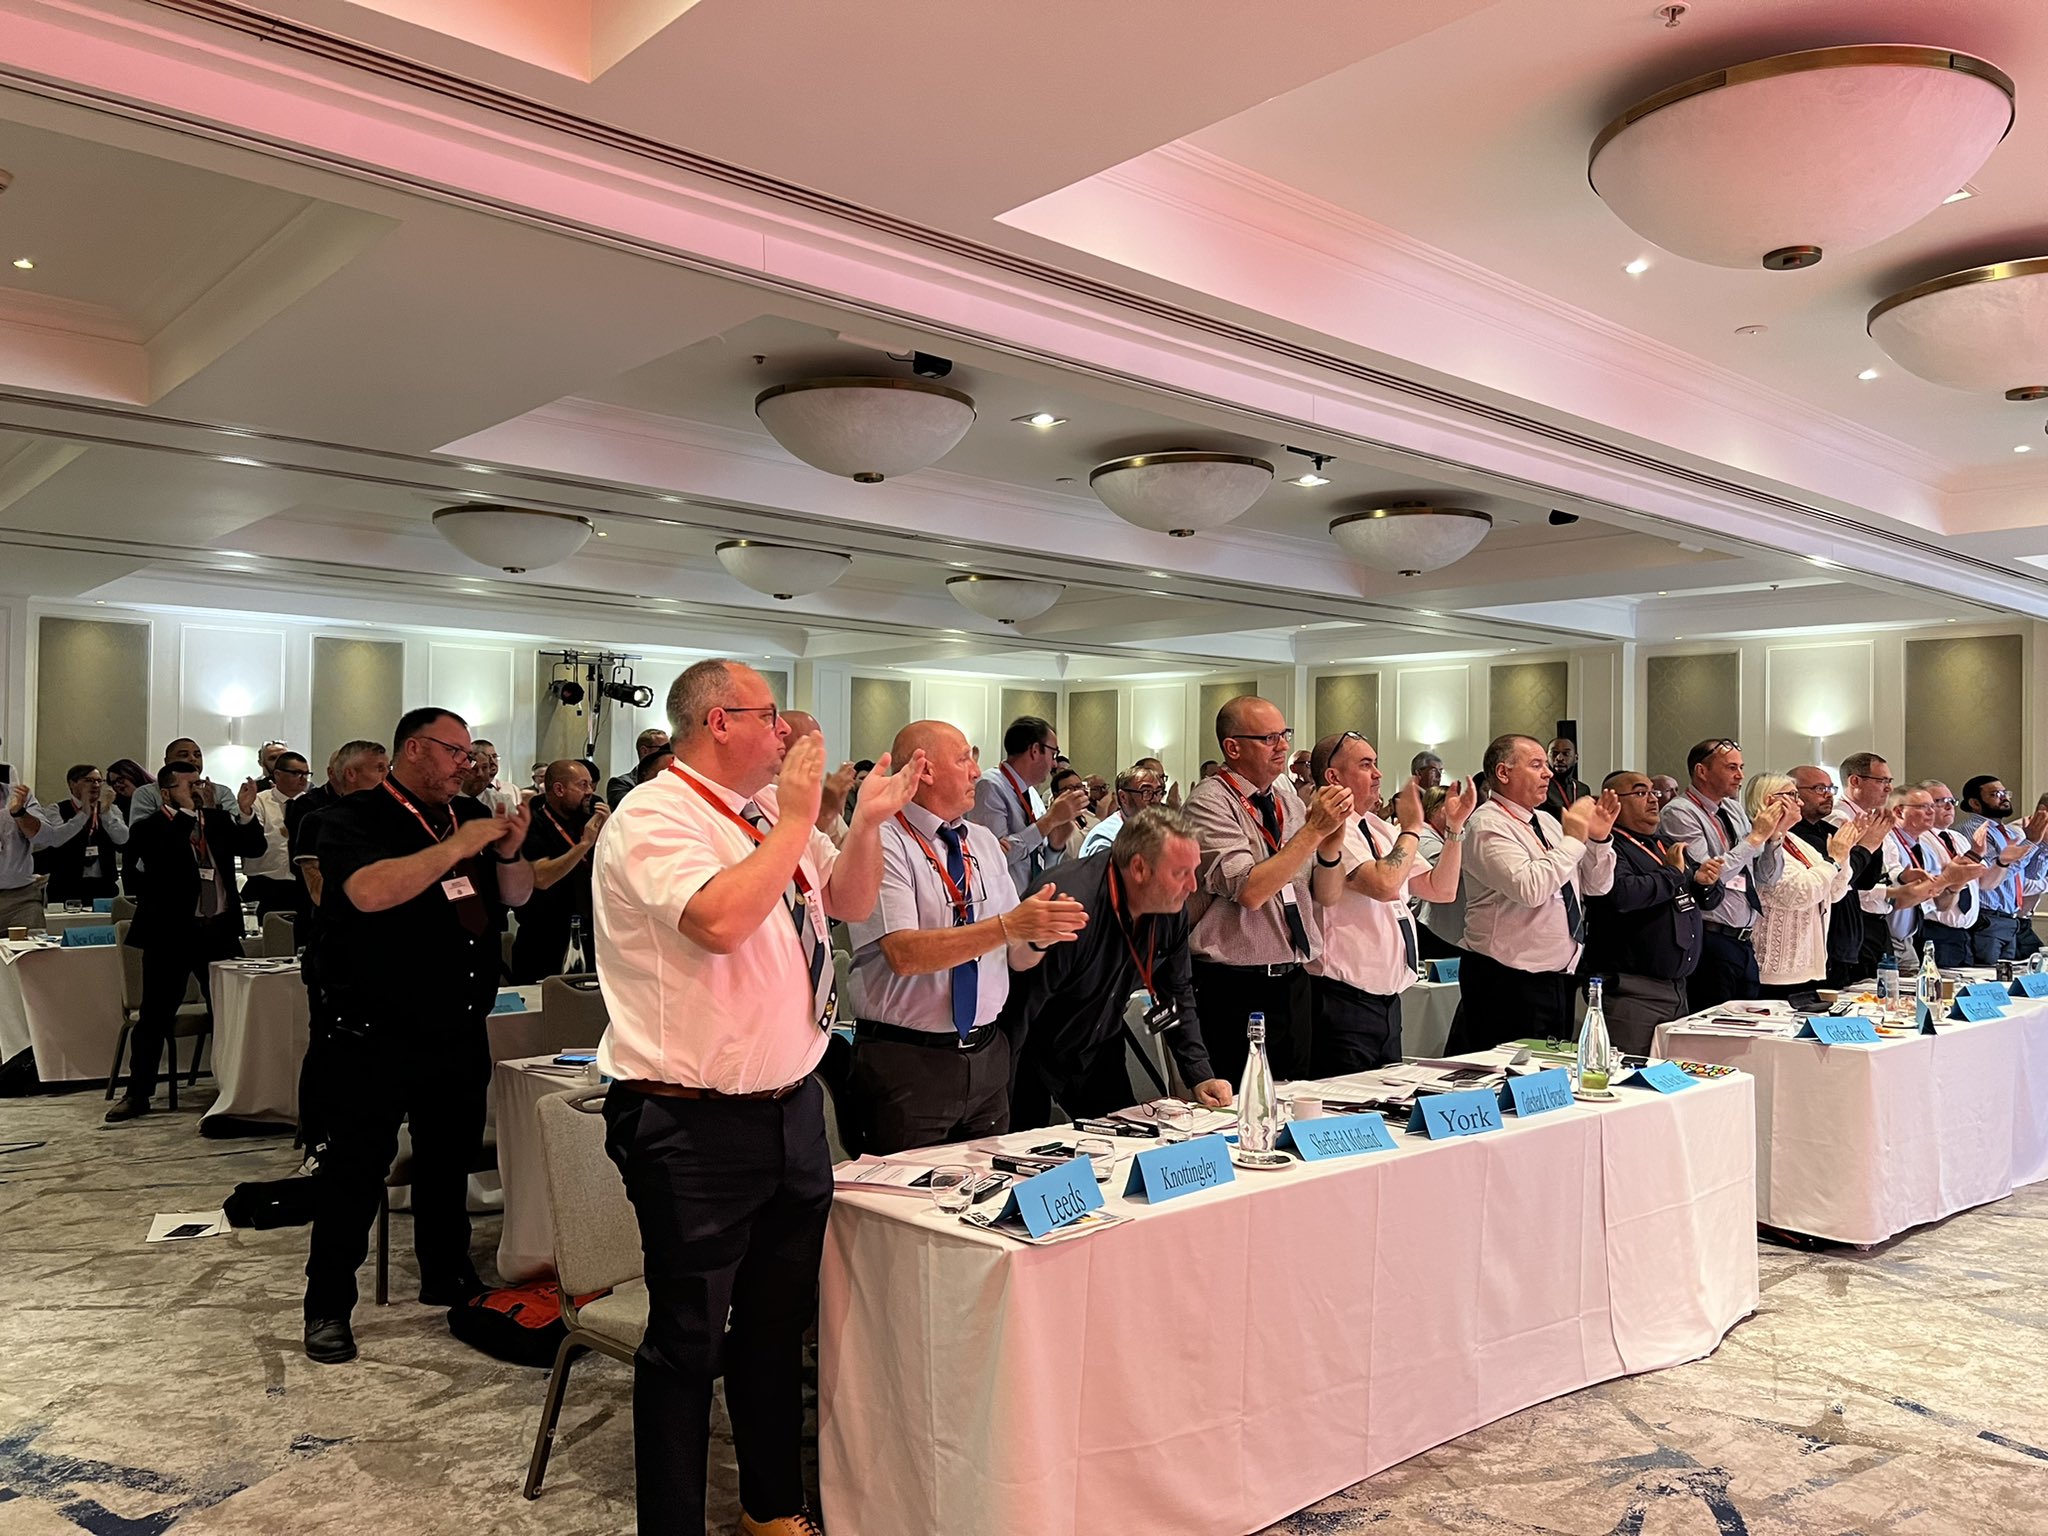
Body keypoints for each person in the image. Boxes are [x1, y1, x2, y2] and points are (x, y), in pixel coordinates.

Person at [590, 659, 923, 1536]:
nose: (786, 731)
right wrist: (805, 817)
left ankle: (770, 1508)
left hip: (789, 1106)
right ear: (718, 723)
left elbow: (847, 900)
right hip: (689, 1118)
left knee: (776, 1326)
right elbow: (718, 920)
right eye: (769, 715)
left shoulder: (766, 812)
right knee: (689, 1341)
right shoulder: (655, 814)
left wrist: (865, 822)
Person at [299, 708, 535, 1367]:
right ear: (412, 749)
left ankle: (447, 1272)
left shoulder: (468, 818)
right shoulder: (351, 818)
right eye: (454, 751)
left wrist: (508, 851)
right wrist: (458, 847)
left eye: (468, 753)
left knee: (447, 1161)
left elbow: (517, 897)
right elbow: (369, 892)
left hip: (456, 1023)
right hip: (371, 1028)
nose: (467, 763)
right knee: (355, 1169)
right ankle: (327, 1304)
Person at [848, 720, 1085, 1152]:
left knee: (988, 1188)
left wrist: (1039, 935)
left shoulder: (982, 841)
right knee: (906, 1192)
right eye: (963, 760)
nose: (976, 771)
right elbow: (904, 953)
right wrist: (1008, 926)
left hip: (986, 1052)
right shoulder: (882, 838)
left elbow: (1015, 957)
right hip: (908, 1060)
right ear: (924, 770)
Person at [1002, 806, 1233, 1127]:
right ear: (1139, 868)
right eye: (1181, 873)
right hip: (1031, 1048)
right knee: (1022, 1144)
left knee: (1125, 1136)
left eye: (1194, 871)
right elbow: (1017, 1012)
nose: (1193, 886)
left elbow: (1176, 991)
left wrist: (1199, 1074)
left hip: (1099, 1041)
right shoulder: (1070, 907)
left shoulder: (1171, 908)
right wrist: (998, 1100)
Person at [1183, 696, 1350, 1084]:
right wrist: (1312, 832)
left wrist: (1329, 845)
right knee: (1239, 1101)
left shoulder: (1286, 801)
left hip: (1293, 979)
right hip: (1234, 985)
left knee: (1294, 1096)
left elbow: (1326, 895)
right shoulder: (1209, 802)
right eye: (1269, 738)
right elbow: (1250, 891)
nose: (1283, 746)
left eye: (1284, 734)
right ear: (1233, 747)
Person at [105, 762, 264, 1122]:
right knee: (155, 1014)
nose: (199, 788)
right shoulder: (150, 827)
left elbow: (254, 847)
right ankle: (138, 1093)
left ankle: (237, 1086)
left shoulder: (216, 820)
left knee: (231, 1009)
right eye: (188, 785)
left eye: (200, 782)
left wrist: (243, 811)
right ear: (166, 793)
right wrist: (191, 813)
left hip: (217, 929)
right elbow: (161, 855)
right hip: (170, 934)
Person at [1306, 733, 1474, 1071]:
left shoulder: (1377, 828)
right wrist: (1412, 828)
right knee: (1348, 1101)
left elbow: (1441, 889)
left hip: (1387, 1000)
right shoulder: (1331, 828)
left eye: (1376, 763)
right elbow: (1383, 884)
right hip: (1342, 999)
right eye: (1365, 765)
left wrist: (1454, 828)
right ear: (1333, 777)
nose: (1378, 773)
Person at [1446, 734, 1617, 1053]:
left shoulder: (1547, 822)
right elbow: (1530, 888)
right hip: (1506, 980)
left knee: (1549, 1075)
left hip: (1557, 977)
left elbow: (1597, 886)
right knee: (1509, 1077)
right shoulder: (1486, 824)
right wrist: (1574, 840)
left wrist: (1598, 840)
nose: (1548, 772)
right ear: (1503, 772)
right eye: (1536, 764)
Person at [1581, 770, 1727, 1051]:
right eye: (1640, 793)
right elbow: (1622, 895)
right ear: (1612, 802)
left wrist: (1706, 883)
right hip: (1632, 991)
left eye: (1653, 792)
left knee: (1669, 1072)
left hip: (1678, 988)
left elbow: (1707, 900)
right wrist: (1673, 874)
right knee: (1628, 1072)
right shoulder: (1608, 847)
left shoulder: (1664, 843)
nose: (1652, 799)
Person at [1658, 739, 1782, 1010]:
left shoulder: (1733, 809)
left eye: (1741, 767)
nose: (1740, 776)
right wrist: (1755, 837)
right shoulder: (1680, 812)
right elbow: (1708, 876)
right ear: (1702, 771)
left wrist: (1774, 839)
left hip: (1745, 939)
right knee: (1714, 1027)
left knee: (1749, 1025)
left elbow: (1766, 877)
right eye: (1731, 768)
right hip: (1709, 937)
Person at [1744, 773, 1869, 1004]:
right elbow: (1799, 894)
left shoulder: (1794, 840)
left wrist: (1843, 855)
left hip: (1807, 962)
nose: (1800, 802)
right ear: (1771, 800)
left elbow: (1834, 892)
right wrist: (1833, 860)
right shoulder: (1759, 842)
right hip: (1776, 967)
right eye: (1793, 795)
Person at [1786, 765, 1907, 987]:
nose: (1828, 795)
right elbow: (1836, 878)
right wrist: (1866, 846)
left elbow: (1865, 881)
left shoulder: (1828, 830)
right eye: (1819, 789)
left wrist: (1873, 841)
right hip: (1822, 936)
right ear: (1794, 793)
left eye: (1830, 788)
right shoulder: (1794, 835)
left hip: (1847, 937)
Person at [510, 759, 610, 982]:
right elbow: (541, 877)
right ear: (559, 789)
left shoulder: (589, 818)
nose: (590, 791)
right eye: (583, 785)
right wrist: (585, 844)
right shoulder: (531, 823)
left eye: (591, 785)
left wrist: (609, 835)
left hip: (589, 932)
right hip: (544, 937)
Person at [969, 716, 1088, 894]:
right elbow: (994, 858)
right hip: (1004, 904)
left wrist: (1055, 846)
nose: (1054, 763)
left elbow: (1038, 860)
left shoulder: (1031, 793)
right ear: (1035, 750)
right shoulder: (989, 787)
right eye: (1053, 754)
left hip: (1032, 897)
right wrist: (1049, 821)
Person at [1954, 776, 2048, 962]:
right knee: (1988, 974)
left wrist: (2043, 845)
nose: (2004, 798)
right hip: (1987, 917)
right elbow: (1990, 877)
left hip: (2009, 918)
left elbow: (2030, 875)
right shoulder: (1974, 830)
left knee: (2007, 975)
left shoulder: (2010, 833)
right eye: (1995, 794)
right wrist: (2030, 842)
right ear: (1975, 803)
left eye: (2005, 793)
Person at [34, 764, 128, 905]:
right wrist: (83, 813)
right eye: (89, 780)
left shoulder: (111, 810)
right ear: (72, 783)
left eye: (99, 781)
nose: (96, 785)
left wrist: (105, 813)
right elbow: (57, 839)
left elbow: (123, 839)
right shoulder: (56, 809)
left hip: (103, 885)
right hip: (66, 885)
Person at [1918, 780, 1987, 969]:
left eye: (1951, 801)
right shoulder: (1920, 838)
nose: (1949, 806)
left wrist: (2000, 860)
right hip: (1935, 930)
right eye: (1940, 801)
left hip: (1964, 933)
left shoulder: (1959, 838)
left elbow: (1984, 880)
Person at [240, 750, 309, 917]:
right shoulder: (258, 801)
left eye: (306, 774)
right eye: (296, 773)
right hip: (265, 884)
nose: (303, 778)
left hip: (302, 885)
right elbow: (252, 841)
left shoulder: (311, 803)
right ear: (277, 774)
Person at [128, 739, 249, 822]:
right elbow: (141, 836)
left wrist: (210, 808)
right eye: (184, 755)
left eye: (197, 755)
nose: (192, 759)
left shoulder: (220, 791)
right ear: (167, 761)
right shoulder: (147, 793)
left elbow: (234, 832)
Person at [780, 711, 855, 846]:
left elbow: (846, 848)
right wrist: (826, 809)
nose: (818, 751)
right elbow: (788, 852)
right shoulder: (763, 791)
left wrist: (866, 816)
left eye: (819, 743)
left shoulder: (818, 791)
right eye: (809, 742)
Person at [1079, 764, 1165, 857]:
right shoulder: (1105, 838)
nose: (1155, 799)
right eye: (1147, 792)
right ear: (1123, 797)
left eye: (1158, 792)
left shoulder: (1157, 829)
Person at [0, 778, 48, 931]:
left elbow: (42, 838)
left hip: (20, 901)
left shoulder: (18, 794)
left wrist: (20, 813)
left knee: (31, 946)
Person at [607, 727, 670, 808]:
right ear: (644, 751)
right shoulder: (621, 784)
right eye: (664, 749)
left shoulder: (675, 779)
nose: (670, 753)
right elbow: (633, 807)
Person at [460, 739, 521, 816]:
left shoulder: (502, 801)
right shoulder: (449, 799)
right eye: (474, 769)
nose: (480, 774)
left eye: (484, 767)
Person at [1541, 737, 1591, 818]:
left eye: (1566, 754)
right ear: (1546, 757)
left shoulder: (1583, 789)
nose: (1559, 758)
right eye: (1554, 753)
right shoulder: (1541, 786)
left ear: (1576, 758)